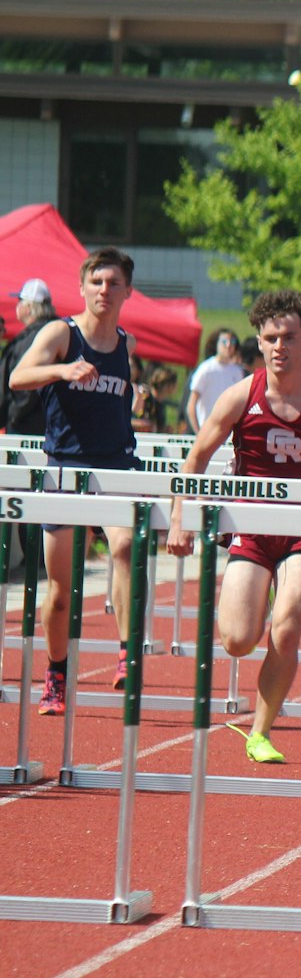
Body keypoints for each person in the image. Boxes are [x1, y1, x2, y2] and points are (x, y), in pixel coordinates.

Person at [166, 290, 301, 763]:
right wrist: (180, 518)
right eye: (271, 337)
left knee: (286, 629)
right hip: (251, 531)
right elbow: (195, 460)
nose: (280, 347)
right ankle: (259, 595)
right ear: (259, 340)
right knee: (237, 640)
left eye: (289, 337)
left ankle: (260, 732)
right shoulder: (238, 396)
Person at [9, 249, 141, 713]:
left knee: (125, 547)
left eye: (113, 283)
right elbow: (18, 377)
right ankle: (57, 675)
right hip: (64, 469)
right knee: (62, 590)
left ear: (127, 291)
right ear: (83, 287)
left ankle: (128, 655)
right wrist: (63, 370)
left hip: (117, 469)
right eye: (97, 282)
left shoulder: (128, 345)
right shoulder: (61, 333)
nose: (105, 290)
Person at [0, 278, 58, 434]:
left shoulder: (31, 339)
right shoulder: (60, 332)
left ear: (29, 307)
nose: (17, 306)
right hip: (53, 426)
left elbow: (27, 387)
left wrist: (13, 415)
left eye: (20, 301)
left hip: (26, 427)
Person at [185, 328, 247, 433]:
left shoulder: (237, 371)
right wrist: (198, 433)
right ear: (217, 344)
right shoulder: (205, 369)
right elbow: (191, 405)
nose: (228, 345)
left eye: (232, 342)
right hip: (207, 432)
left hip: (229, 436)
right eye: (224, 341)